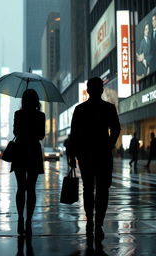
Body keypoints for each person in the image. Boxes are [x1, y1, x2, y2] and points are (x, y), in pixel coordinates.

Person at [68, 77, 120, 241]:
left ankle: (90, 221)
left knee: (88, 189)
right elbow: (116, 129)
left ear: (88, 91)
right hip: (103, 154)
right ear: (102, 90)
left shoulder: (80, 109)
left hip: (85, 155)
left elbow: (74, 135)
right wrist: (109, 145)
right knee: (103, 190)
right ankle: (99, 224)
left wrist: (72, 155)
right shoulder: (109, 108)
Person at [11, 89, 45, 235]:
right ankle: (29, 221)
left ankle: (20, 218)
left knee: (20, 187)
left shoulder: (18, 114)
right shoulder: (40, 115)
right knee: (31, 188)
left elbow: (15, 133)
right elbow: (41, 135)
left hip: (19, 150)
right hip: (34, 152)